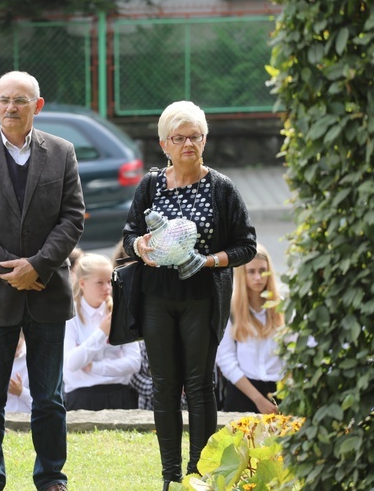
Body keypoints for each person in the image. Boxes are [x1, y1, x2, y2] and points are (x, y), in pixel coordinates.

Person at [0, 71, 84, 491]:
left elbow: (72, 218)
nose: (11, 108)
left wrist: (39, 266)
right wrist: (14, 270)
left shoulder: (62, 153)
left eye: (20, 101)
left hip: (47, 293)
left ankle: (51, 478)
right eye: (4, 100)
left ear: (37, 106)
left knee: (50, 398)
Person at [122, 100, 257, 488]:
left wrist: (211, 261)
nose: (188, 144)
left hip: (202, 297)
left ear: (205, 140)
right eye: (179, 138)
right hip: (156, 298)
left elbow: (246, 245)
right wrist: (141, 247)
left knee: (199, 384)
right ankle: (169, 475)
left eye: (195, 137)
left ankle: (199, 473)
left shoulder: (222, 188)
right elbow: (130, 235)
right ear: (164, 143)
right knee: (165, 385)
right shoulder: (149, 185)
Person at [63, 253, 141, 411]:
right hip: (81, 398)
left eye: (109, 281)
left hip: (120, 394)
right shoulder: (70, 316)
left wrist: (94, 368)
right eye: (100, 283)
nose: (107, 288)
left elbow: (134, 362)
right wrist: (101, 333)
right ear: (83, 283)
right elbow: (71, 363)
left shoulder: (120, 312)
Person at [216, 244, 284, 414]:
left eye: (262, 271)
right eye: (251, 272)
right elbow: (226, 360)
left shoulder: (283, 308)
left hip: (280, 390)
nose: (258, 277)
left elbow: (294, 354)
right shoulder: (230, 310)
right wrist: (258, 399)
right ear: (242, 274)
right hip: (243, 391)